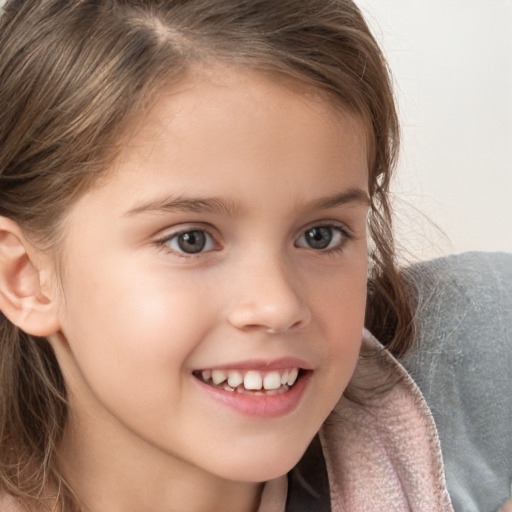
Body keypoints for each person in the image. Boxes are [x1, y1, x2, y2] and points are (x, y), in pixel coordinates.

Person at [0, 1, 509, 511]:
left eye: (321, 235)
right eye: (190, 240)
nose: (277, 305)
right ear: (26, 279)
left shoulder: (465, 363)